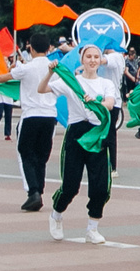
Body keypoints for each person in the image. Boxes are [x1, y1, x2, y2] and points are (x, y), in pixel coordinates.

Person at [47, 44, 117, 245]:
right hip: (77, 133)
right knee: (70, 185)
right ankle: (56, 214)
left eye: (96, 56)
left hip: (98, 133)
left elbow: (110, 103)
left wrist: (95, 102)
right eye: (89, 56)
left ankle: (92, 228)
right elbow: (43, 89)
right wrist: (50, 73)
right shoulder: (72, 82)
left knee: (101, 186)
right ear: (82, 59)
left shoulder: (105, 83)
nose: (93, 60)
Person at [12, 39, 59, 212]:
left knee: (25, 152)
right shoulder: (56, 67)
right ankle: (39, 190)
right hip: (50, 116)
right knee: (41, 156)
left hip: (31, 115)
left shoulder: (26, 68)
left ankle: (33, 192)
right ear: (48, 48)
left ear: (30, 48)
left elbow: (7, 77)